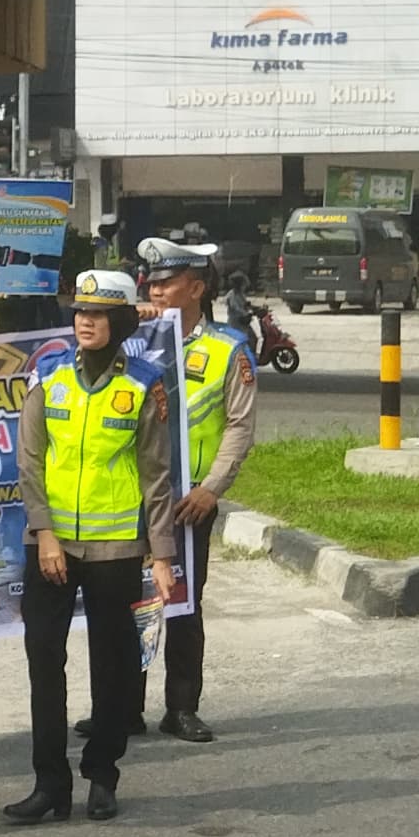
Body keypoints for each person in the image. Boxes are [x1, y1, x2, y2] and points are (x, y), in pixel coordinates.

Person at [7, 270, 175, 824]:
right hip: (52, 546)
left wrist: (162, 554)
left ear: (121, 321)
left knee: (114, 666)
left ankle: (102, 774)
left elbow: (156, 473)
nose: (85, 320)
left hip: (115, 549)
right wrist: (46, 533)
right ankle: (48, 782)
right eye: (80, 311)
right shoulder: (48, 376)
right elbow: (29, 462)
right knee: (43, 664)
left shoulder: (144, 383)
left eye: (98, 313)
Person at [136, 236, 255, 743]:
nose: (155, 290)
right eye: (151, 282)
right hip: (134, 497)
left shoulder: (228, 348)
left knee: (182, 604)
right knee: (127, 603)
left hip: (189, 502)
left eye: (166, 282)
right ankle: (119, 707)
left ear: (197, 288)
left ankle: (181, 707)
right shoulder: (133, 338)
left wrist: (212, 488)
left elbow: (239, 426)